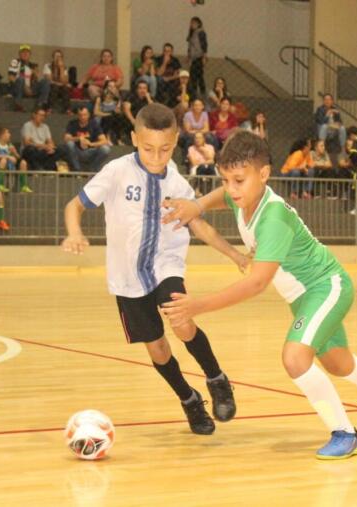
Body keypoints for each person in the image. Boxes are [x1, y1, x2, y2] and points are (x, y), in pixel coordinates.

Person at [160, 130, 357, 460]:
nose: (231, 188)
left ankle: (345, 433)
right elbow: (223, 197)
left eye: (239, 180)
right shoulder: (244, 196)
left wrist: (197, 306)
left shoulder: (272, 218)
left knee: (295, 358)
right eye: (225, 179)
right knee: (340, 364)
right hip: (305, 297)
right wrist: (198, 204)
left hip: (325, 287)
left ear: (264, 174)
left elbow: (256, 283)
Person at [61, 103, 243, 435]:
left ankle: (217, 378)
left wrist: (236, 255)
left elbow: (199, 225)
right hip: (127, 276)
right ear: (134, 139)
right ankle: (189, 399)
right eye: (148, 149)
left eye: (165, 149)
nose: (157, 157)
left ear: (175, 142)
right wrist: (74, 232)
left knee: (181, 321)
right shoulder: (117, 171)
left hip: (165, 263)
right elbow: (75, 205)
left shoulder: (176, 182)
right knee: (158, 349)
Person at [62, 106, 111, 172]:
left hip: (90, 151)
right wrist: (79, 138)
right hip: (77, 151)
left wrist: (90, 144)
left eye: (84, 115)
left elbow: (104, 141)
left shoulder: (94, 124)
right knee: (69, 144)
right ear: (78, 115)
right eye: (80, 115)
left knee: (105, 149)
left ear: (88, 115)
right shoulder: (72, 124)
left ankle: (92, 169)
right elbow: (66, 138)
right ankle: (77, 169)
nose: (82, 117)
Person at [0, 126, 31, 194]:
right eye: (8, 133)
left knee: (23, 162)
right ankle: (0, 185)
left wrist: (15, 153)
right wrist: (7, 157)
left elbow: (18, 158)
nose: (10, 135)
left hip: (10, 165)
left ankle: (24, 186)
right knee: (3, 160)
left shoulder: (9, 145)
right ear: (2, 135)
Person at [8, 44, 49, 112]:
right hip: (18, 88)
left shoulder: (33, 65)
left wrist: (36, 74)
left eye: (27, 52)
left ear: (30, 54)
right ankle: (18, 104)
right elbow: (11, 77)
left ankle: (40, 104)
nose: (25, 54)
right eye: (23, 52)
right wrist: (25, 87)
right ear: (19, 54)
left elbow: (37, 80)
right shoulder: (15, 62)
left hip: (30, 88)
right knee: (20, 79)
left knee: (45, 81)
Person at [92, 81, 125, 145]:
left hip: (112, 119)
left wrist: (119, 100)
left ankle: (119, 139)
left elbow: (118, 112)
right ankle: (107, 138)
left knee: (119, 118)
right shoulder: (100, 98)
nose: (112, 88)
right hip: (101, 118)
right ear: (105, 88)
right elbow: (95, 112)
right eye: (110, 86)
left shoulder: (116, 99)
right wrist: (108, 114)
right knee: (109, 118)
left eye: (114, 86)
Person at [187, 131, 216, 197]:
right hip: (197, 168)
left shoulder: (210, 147)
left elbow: (212, 161)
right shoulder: (191, 148)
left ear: (204, 139)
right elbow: (194, 163)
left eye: (199, 138)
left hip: (208, 167)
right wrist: (207, 161)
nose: (197, 140)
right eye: (196, 138)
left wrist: (203, 150)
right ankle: (200, 190)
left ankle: (212, 189)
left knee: (211, 167)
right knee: (202, 167)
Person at [44, 49, 71, 113]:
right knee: (55, 87)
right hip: (51, 86)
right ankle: (50, 108)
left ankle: (67, 109)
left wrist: (61, 68)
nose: (58, 58)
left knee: (65, 88)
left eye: (60, 56)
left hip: (61, 87)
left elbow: (65, 81)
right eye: (56, 56)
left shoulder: (64, 67)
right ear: (53, 57)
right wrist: (60, 84)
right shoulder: (47, 66)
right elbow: (49, 79)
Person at [186, 17, 207, 98]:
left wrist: (204, 56)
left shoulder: (200, 32)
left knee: (199, 75)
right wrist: (189, 57)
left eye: (194, 23)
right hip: (193, 58)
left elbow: (204, 44)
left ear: (198, 24)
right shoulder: (192, 34)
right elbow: (190, 47)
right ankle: (194, 93)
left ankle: (202, 92)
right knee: (193, 76)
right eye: (191, 23)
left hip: (199, 57)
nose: (192, 25)